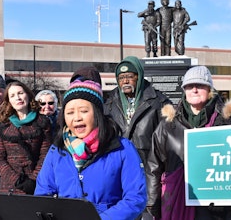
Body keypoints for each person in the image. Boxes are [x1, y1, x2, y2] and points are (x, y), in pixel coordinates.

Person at [34, 68, 147, 220]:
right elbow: (43, 194)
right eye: (70, 112)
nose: (77, 118)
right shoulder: (57, 150)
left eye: (83, 111)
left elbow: (135, 198)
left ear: (97, 113)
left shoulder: (123, 148)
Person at [146, 66, 231, 220]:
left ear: (209, 88)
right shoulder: (168, 124)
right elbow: (154, 166)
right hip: (176, 200)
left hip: (217, 207)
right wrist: (152, 204)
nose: (194, 90)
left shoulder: (227, 121)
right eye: (189, 86)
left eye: (200, 85)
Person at [104, 55, 171, 219]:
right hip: (118, 174)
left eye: (129, 76)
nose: (125, 81)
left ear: (139, 77)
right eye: (121, 78)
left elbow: (166, 142)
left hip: (148, 173)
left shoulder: (158, 102)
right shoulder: (109, 103)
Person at [0, 81, 51, 195]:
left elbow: (46, 155)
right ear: (9, 101)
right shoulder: (3, 125)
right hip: (9, 186)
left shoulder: (42, 122)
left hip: (35, 185)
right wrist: (16, 179)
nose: (18, 98)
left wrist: (33, 179)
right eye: (12, 95)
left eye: (20, 93)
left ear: (28, 95)